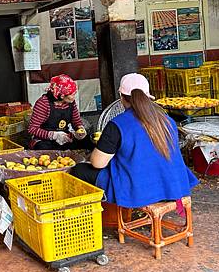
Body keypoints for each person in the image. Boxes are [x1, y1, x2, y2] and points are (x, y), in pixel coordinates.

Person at [72, 73, 198, 207]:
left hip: (139, 191)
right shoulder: (167, 120)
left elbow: (98, 163)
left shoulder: (117, 124)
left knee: (79, 170)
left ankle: (96, 216)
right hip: (173, 186)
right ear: (148, 96)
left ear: (121, 98)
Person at [28, 75, 91, 150]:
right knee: (43, 147)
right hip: (45, 140)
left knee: (88, 141)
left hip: (64, 138)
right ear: (62, 96)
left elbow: (76, 121)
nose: (74, 97)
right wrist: (53, 135)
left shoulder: (71, 102)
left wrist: (80, 129)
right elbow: (32, 129)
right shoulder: (43, 104)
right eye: (72, 94)